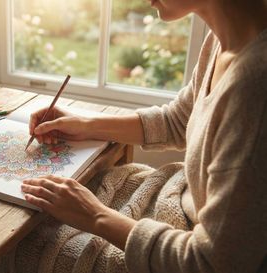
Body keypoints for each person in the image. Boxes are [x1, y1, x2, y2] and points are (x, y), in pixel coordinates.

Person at [15, 0, 267, 272]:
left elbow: (211, 263)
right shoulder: (225, 38)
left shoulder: (254, 89)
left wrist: (95, 216)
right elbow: (180, 120)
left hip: (192, 250)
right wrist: (85, 123)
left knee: (23, 244)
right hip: (183, 204)